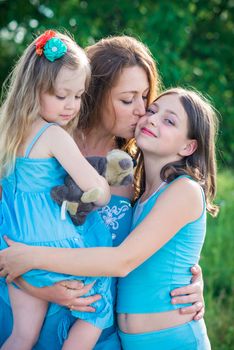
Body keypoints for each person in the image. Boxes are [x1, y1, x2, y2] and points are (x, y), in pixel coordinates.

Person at [0, 36, 205, 349]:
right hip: (30, 317)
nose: (142, 111)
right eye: (127, 100)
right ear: (92, 94)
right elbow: (14, 227)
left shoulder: (138, 165)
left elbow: (144, 250)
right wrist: (39, 288)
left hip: (97, 331)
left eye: (146, 98)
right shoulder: (38, 148)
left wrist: (191, 279)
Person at [0, 30, 113, 350]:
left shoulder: (6, 132)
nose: (71, 106)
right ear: (34, 90)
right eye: (61, 96)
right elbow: (96, 191)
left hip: (13, 244)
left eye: (78, 96)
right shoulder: (53, 135)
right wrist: (104, 184)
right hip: (54, 248)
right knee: (99, 306)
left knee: (22, 337)